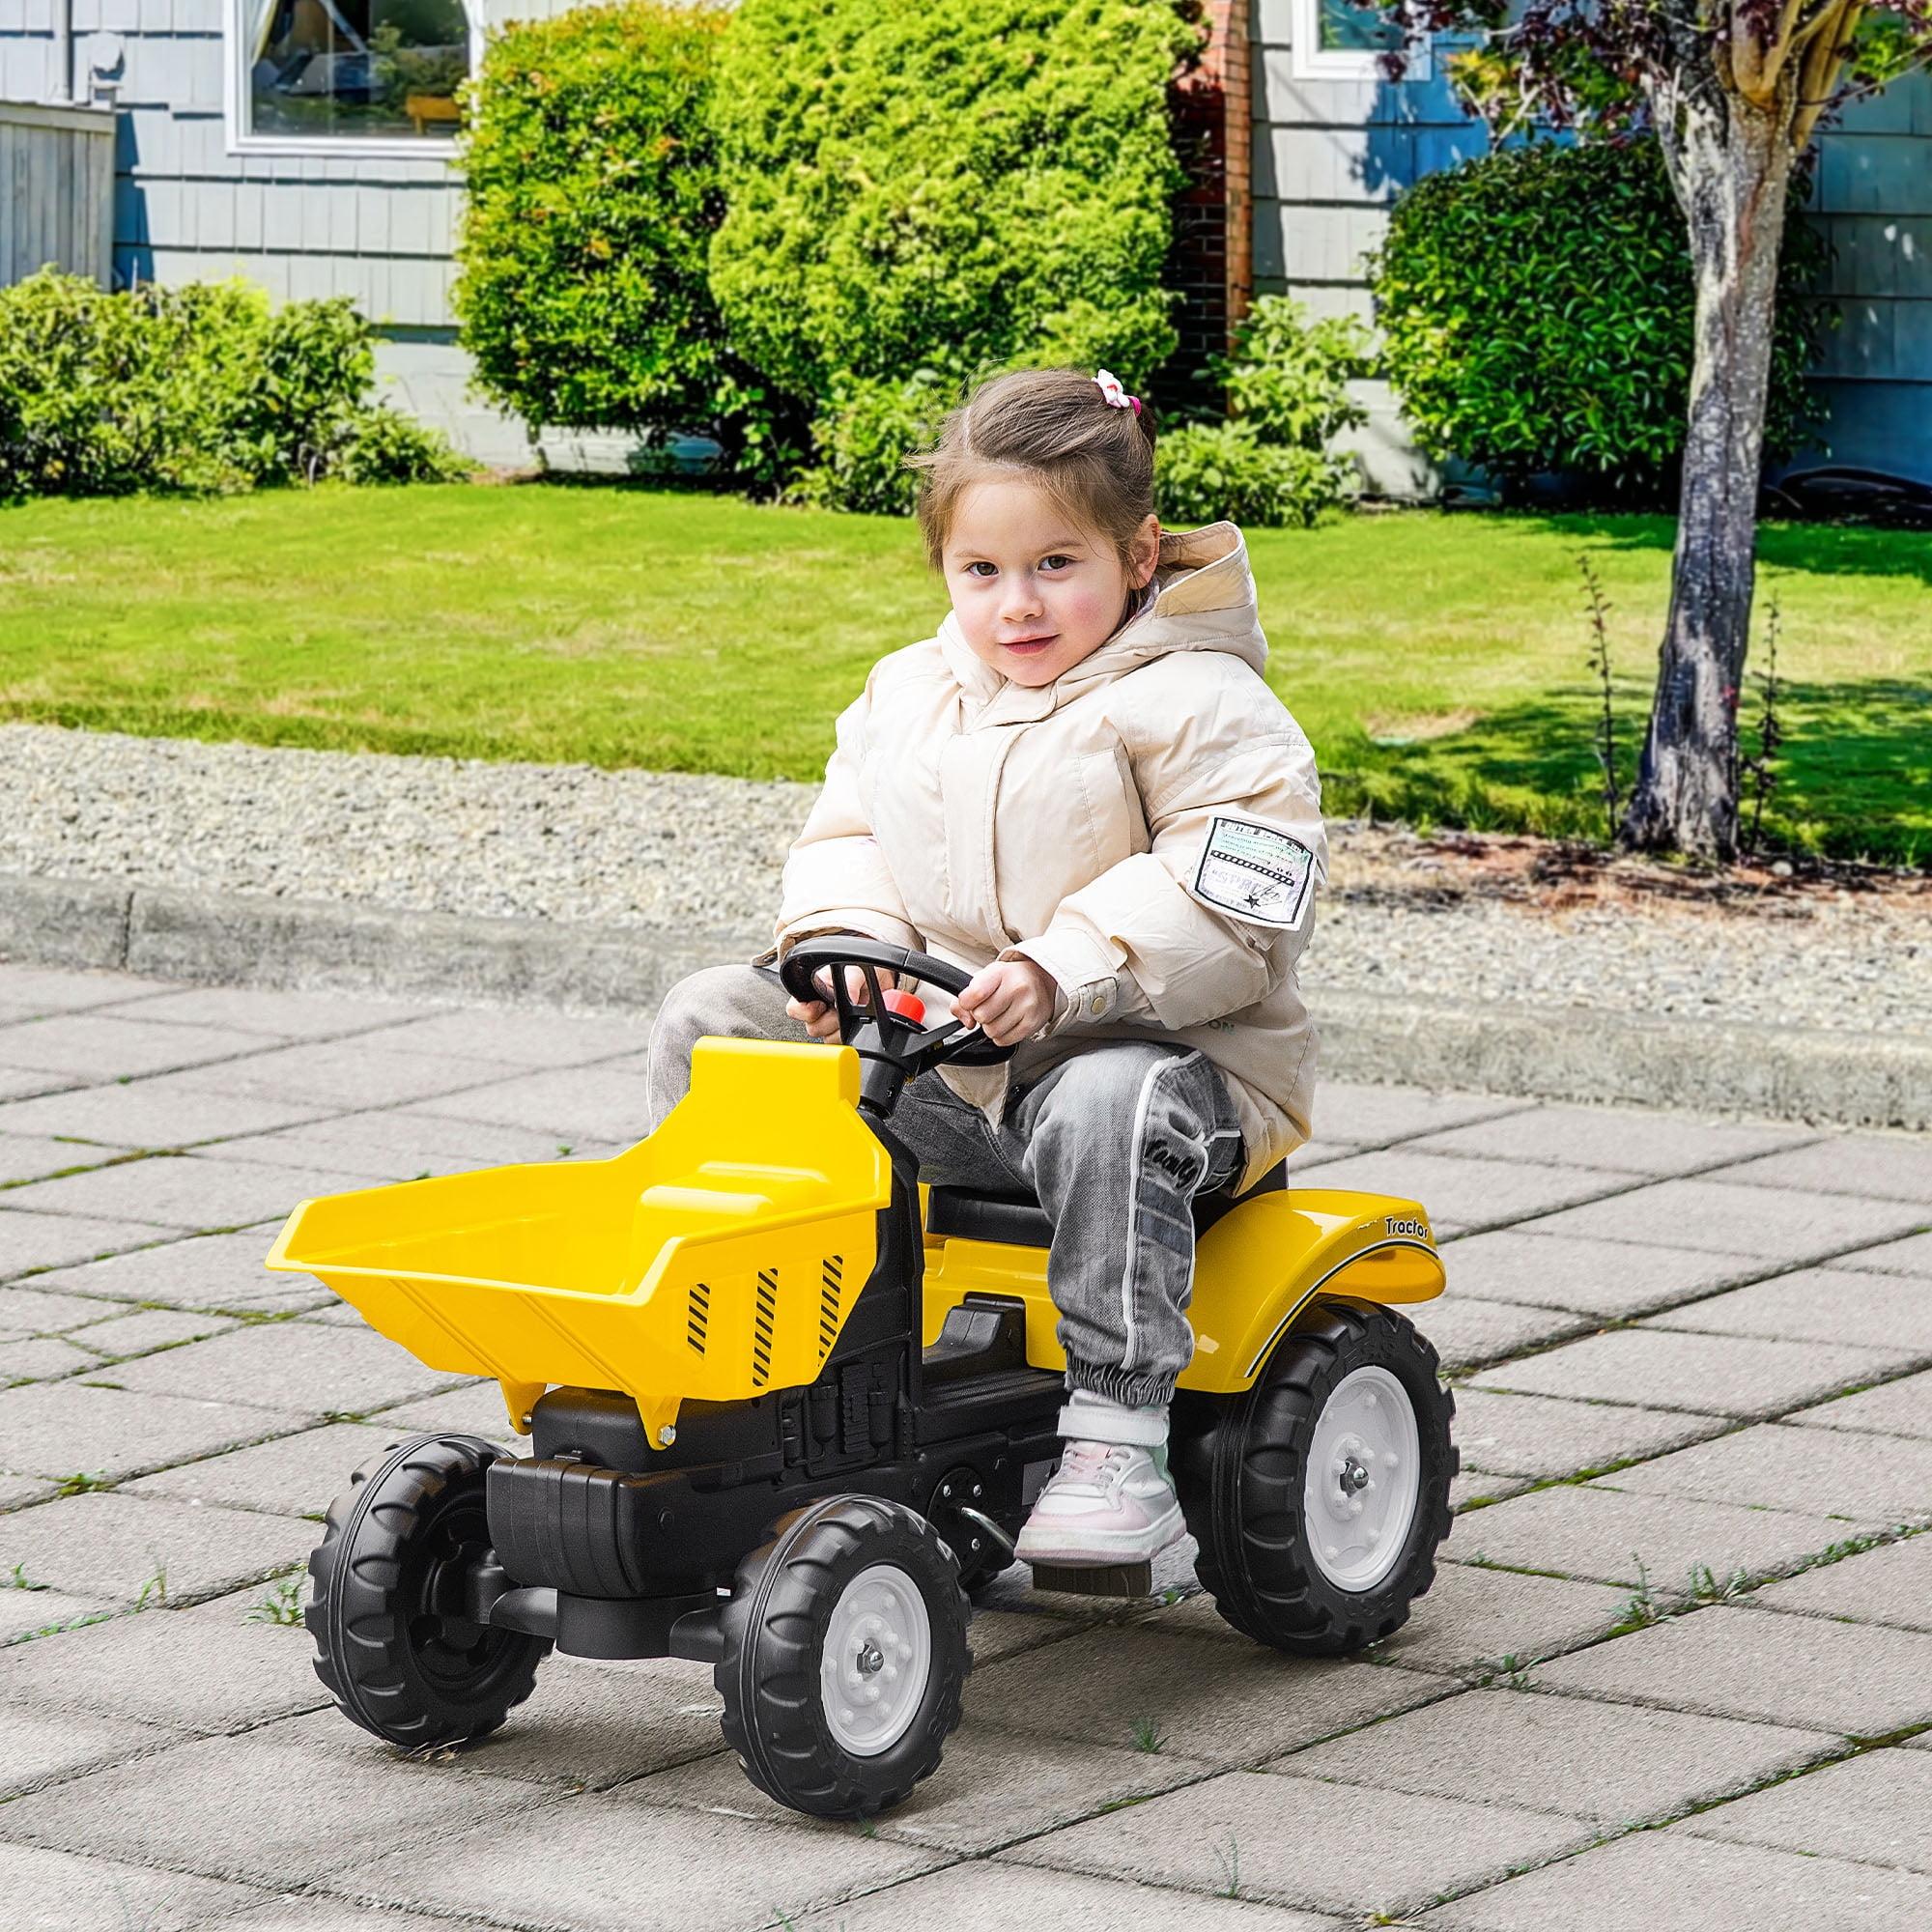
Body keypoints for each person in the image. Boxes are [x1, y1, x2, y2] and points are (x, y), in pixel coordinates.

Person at [644, 363, 1326, 1571]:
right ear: (944, 570)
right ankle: (739, 1352)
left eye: (1054, 564)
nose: (1015, 604)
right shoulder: (910, 694)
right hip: (946, 1063)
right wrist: (834, 963)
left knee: (1101, 1094)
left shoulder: (1209, 706)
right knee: (711, 1013)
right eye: (981, 572)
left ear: (1136, 553)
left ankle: (1116, 1430)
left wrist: (1065, 969)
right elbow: (846, 842)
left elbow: (1232, 910)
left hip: (1172, 1078)